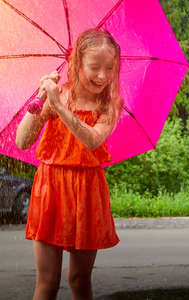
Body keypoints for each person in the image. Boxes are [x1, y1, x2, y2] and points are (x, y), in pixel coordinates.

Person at [15, 28, 123, 300]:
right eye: (95, 67)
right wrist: (39, 98)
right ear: (77, 64)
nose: (103, 76)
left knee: (79, 279)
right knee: (47, 283)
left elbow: (92, 141)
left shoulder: (110, 104)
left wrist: (61, 107)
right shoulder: (54, 95)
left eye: (110, 68)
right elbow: (22, 141)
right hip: (50, 188)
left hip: (88, 191)